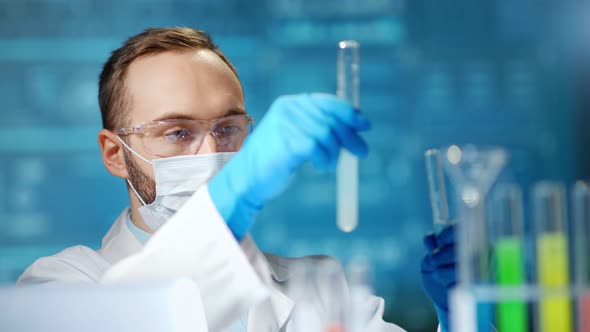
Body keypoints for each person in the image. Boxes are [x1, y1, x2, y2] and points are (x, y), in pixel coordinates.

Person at [17, 27, 456, 332]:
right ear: (115, 154)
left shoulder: (319, 287)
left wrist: (461, 315)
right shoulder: (61, 285)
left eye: (227, 129)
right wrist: (232, 193)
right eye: (177, 133)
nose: (212, 154)